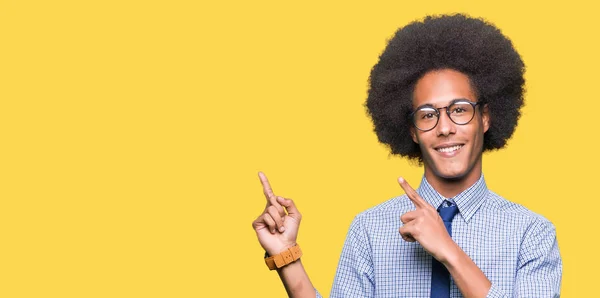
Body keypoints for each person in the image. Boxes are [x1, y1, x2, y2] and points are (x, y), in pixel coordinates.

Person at [251, 13, 562, 298]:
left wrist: (448, 250)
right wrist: (287, 257)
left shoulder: (531, 234)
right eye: (428, 115)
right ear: (412, 130)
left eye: (459, 110)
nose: (444, 128)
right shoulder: (370, 229)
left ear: (485, 118)